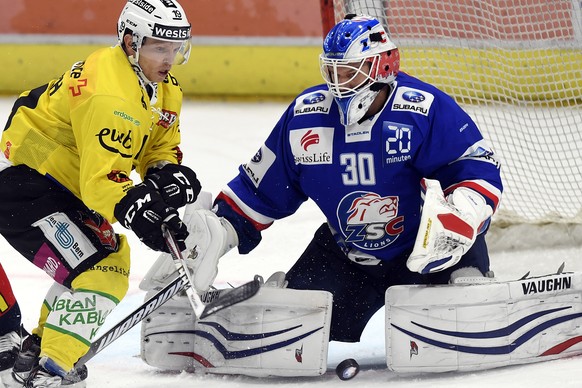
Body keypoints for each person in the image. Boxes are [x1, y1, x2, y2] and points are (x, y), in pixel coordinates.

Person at [178, 14, 503, 346]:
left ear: (382, 67)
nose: (339, 82)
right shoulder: (307, 117)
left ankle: (470, 282)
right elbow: (261, 190)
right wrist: (218, 232)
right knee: (281, 329)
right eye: (332, 71)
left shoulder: (421, 108)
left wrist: (464, 211)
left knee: (465, 307)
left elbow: (473, 165)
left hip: (427, 251)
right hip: (348, 257)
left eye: (350, 71)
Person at [0, 0, 200, 386]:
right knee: (101, 268)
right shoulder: (110, 95)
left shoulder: (162, 86)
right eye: (159, 47)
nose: (170, 58)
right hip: (24, 182)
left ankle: (37, 354)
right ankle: (45, 371)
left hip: (60, 180)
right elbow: (101, 182)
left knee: (101, 260)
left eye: (176, 47)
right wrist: (139, 208)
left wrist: (164, 174)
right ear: (130, 42)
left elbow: (157, 145)